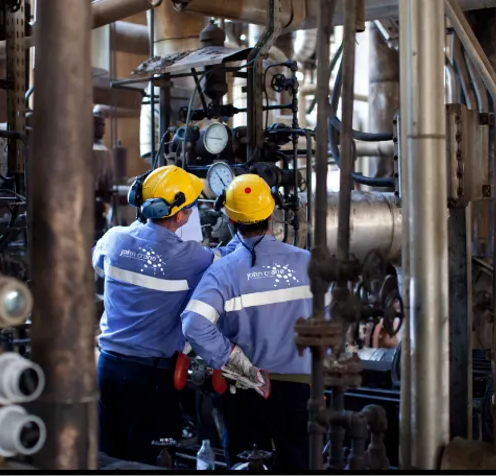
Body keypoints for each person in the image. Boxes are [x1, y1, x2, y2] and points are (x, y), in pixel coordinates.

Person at [92, 165, 240, 464]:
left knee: (110, 457)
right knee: (150, 461)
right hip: (151, 378)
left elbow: (98, 265)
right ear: (181, 215)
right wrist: (238, 216)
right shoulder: (192, 257)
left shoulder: (113, 239)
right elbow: (232, 260)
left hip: (107, 369)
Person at [181, 174, 323, 470]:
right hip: (301, 390)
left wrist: (234, 362)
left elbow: (194, 324)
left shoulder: (223, 272)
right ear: (271, 215)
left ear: (231, 222)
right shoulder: (309, 263)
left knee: (247, 463)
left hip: (248, 388)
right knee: (301, 461)